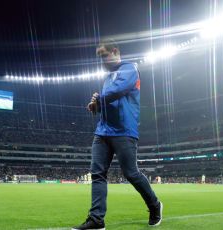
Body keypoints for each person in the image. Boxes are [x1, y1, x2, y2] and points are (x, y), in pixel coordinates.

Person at [72, 39, 162, 230]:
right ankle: (96, 220)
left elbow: (118, 91)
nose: (102, 60)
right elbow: (106, 103)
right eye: (100, 57)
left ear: (115, 51)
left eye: (104, 55)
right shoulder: (107, 78)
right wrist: (96, 105)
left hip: (124, 130)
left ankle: (155, 205)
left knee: (131, 173)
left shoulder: (129, 69)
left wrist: (99, 98)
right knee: (97, 174)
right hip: (103, 131)